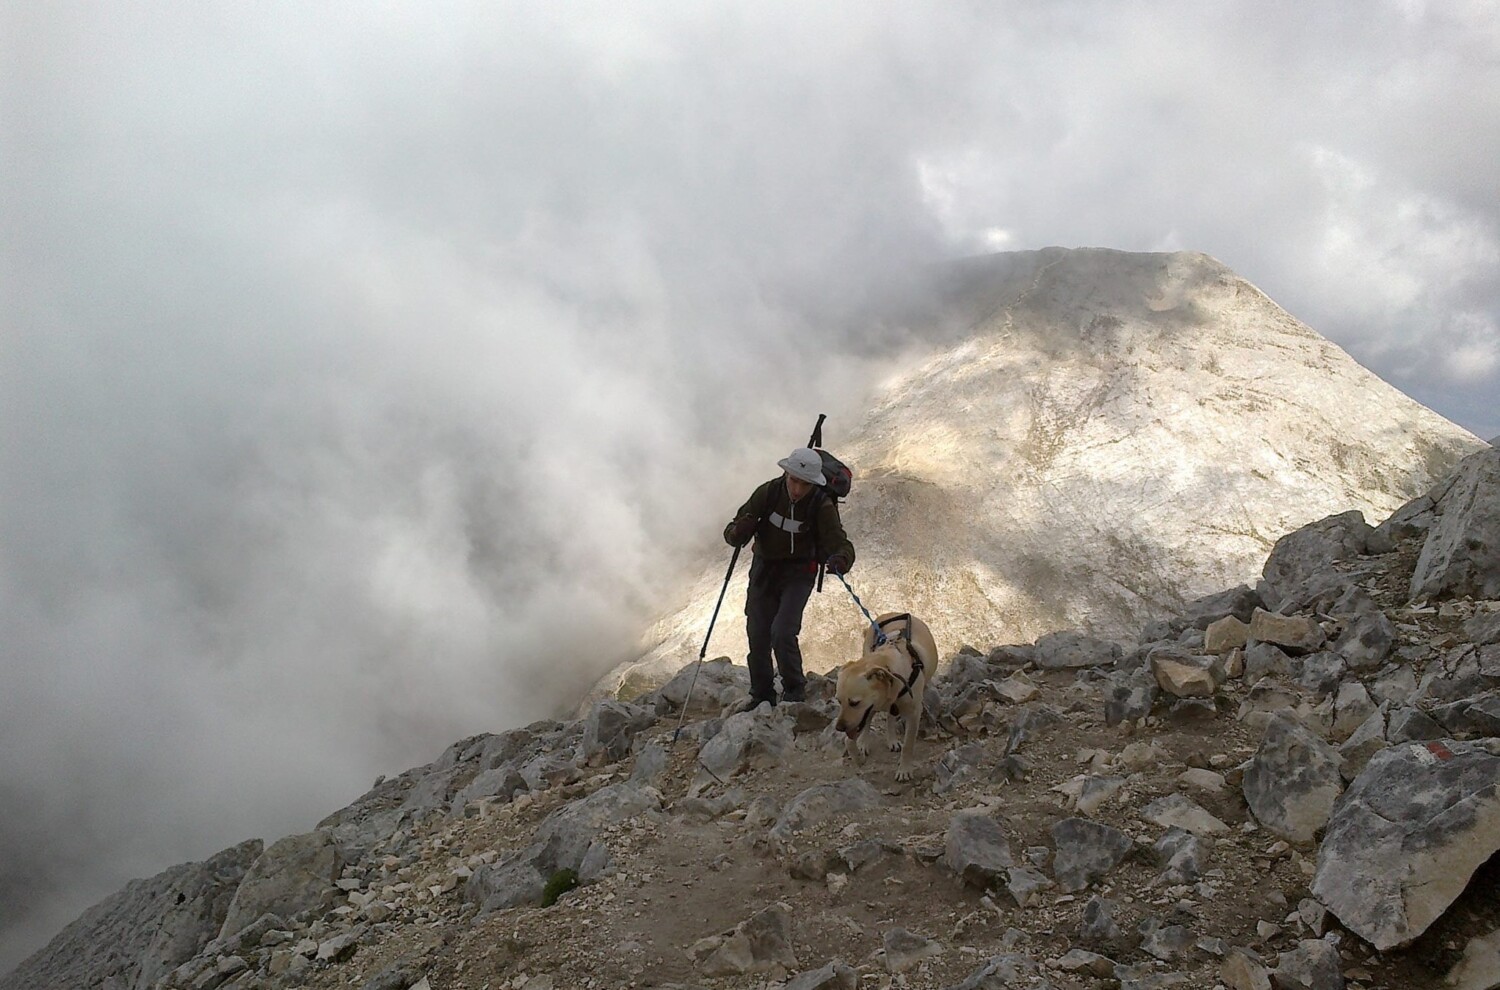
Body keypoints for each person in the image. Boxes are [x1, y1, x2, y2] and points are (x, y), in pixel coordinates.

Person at [723, 447, 856, 709]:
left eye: (804, 484)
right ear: (786, 474)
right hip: (765, 570)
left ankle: (794, 691)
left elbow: (840, 543)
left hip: (799, 573)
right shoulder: (768, 492)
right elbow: (732, 532)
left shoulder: (821, 504)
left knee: (783, 631)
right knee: (757, 631)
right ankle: (761, 693)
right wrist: (739, 531)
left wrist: (841, 559)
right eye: (794, 480)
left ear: (813, 483)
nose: (797, 489)